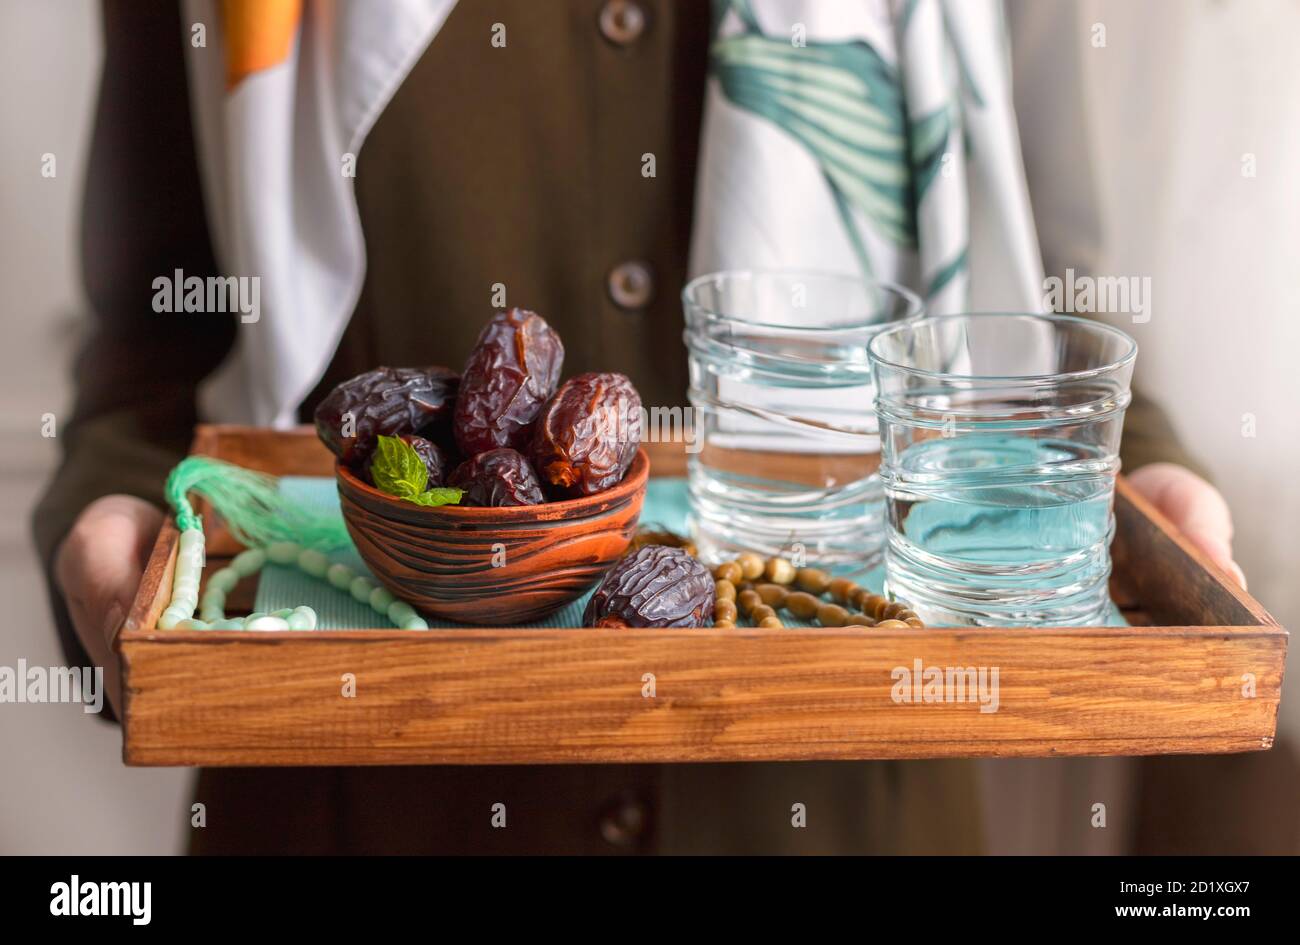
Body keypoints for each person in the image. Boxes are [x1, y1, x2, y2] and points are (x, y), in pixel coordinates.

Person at [36, 1, 1242, 854]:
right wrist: (111, 522)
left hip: (843, 795)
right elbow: (152, 342)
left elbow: (1044, 305)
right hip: (360, 801)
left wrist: (1151, 494)